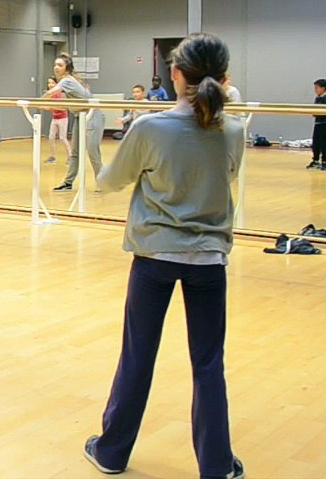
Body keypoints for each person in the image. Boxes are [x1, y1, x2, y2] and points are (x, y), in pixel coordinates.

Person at [82, 33, 245, 479]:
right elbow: (227, 176)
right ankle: (216, 465)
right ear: (224, 78)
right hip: (209, 259)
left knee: (138, 355)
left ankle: (112, 452)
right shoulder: (233, 129)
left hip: (154, 257)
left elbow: (111, 181)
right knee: (208, 363)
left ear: (175, 74)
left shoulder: (150, 128)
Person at [42, 54, 103, 193]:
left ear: (67, 68)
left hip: (92, 115)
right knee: (75, 152)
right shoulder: (67, 83)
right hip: (79, 116)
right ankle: (68, 183)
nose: (56, 67)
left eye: (60, 65)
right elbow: (65, 106)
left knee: (92, 151)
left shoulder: (67, 80)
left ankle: (102, 182)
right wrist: (46, 106)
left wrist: (36, 101)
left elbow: (51, 93)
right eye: (55, 65)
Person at [307, 79, 326, 171]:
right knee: (316, 143)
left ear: (323, 88)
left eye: (317, 88)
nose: (315, 90)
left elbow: (324, 112)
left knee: (324, 143)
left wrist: (316, 113)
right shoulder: (317, 98)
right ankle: (315, 160)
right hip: (318, 123)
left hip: (325, 124)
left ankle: (324, 162)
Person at [46, 77, 70, 164]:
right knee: (51, 137)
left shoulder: (61, 95)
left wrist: (51, 107)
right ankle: (52, 156)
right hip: (55, 118)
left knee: (62, 138)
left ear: (56, 84)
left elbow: (64, 108)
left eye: (52, 83)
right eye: (49, 83)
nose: (50, 85)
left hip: (63, 118)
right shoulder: (49, 95)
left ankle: (70, 157)